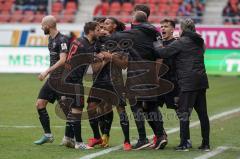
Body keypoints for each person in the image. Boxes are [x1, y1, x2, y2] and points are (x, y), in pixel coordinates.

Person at [154, 18, 210, 151]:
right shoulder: (199, 41)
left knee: (184, 113)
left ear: (182, 29)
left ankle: (184, 143)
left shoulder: (181, 42)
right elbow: (202, 51)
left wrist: (157, 42)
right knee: (203, 114)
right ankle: (206, 144)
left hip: (187, 81)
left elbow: (163, 53)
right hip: (201, 81)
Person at [61, 21, 100, 150]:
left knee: (72, 110)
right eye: (98, 29)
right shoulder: (86, 47)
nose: (99, 31)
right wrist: (103, 57)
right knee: (77, 111)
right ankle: (79, 143)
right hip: (74, 81)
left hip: (66, 78)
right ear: (91, 31)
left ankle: (67, 138)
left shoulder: (77, 40)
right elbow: (94, 65)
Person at [34, 15, 69, 145]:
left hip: (62, 80)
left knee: (66, 111)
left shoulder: (63, 39)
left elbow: (63, 59)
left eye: (42, 25)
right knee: (40, 104)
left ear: (48, 26)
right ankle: (48, 135)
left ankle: (69, 137)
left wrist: (46, 71)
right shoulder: (50, 39)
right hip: (52, 79)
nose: (41, 27)